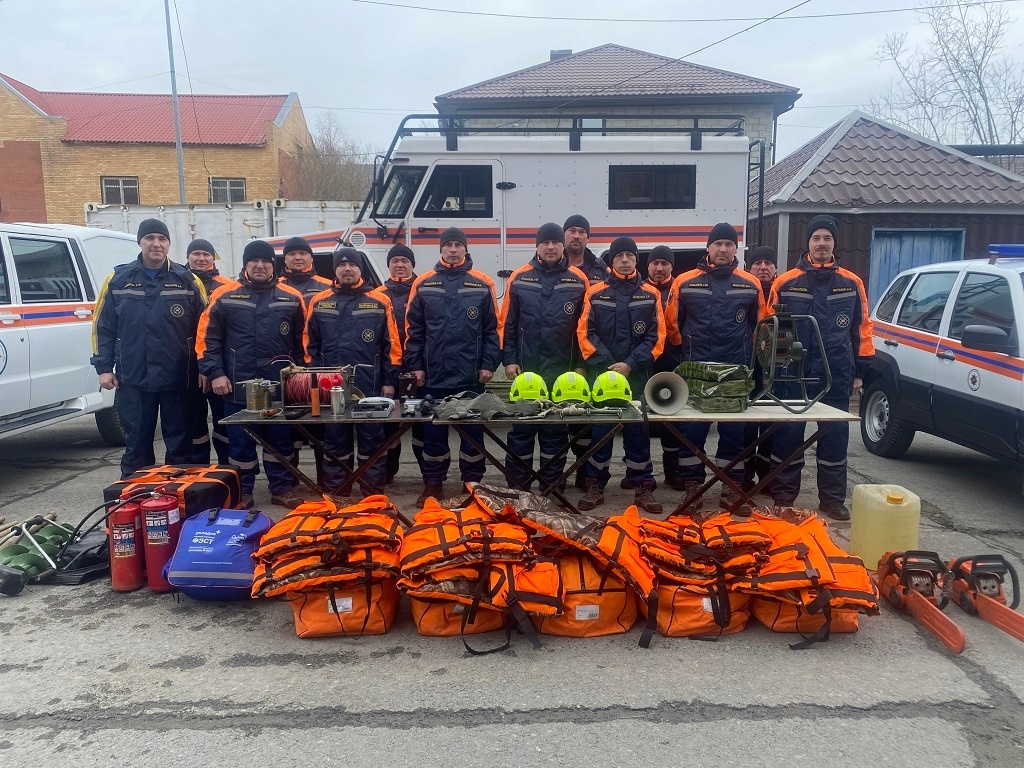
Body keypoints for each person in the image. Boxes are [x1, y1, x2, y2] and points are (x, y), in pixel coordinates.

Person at [767, 215, 874, 520]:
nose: (822, 243)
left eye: (827, 238)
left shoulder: (852, 283)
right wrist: (773, 370)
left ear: (834, 243)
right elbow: (768, 330)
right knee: (788, 436)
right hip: (792, 374)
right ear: (808, 243)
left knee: (834, 437)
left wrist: (859, 371)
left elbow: (862, 329)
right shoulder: (785, 282)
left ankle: (832, 499)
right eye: (816, 238)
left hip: (836, 373)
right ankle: (783, 497)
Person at [91, 219, 207, 479]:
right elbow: (103, 327)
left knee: (179, 444)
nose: (156, 244)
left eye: (162, 239)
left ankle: (177, 495)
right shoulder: (118, 280)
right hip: (134, 378)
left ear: (168, 243)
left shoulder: (187, 280)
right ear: (140, 242)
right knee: (136, 444)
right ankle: (135, 493)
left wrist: (206, 368)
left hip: (179, 377)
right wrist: (103, 368)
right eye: (150, 238)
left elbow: (207, 330)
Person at [196, 240, 306, 509]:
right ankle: (243, 491)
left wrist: (301, 377)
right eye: (254, 260)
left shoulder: (291, 297)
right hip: (237, 383)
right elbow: (207, 340)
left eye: (266, 261)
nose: (260, 265)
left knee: (280, 440)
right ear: (245, 264)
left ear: (273, 265)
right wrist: (216, 373)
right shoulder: (225, 295)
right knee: (240, 443)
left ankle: (281, 488)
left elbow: (303, 342)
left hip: (280, 385)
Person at [665, 223, 765, 513]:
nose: (723, 249)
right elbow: (672, 324)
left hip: (735, 372)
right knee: (692, 432)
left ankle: (730, 488)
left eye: (729, 244)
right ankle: (692, 488)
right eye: (718, 244)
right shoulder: (685, 282)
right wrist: (688, 350)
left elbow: (760, 326)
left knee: (734, 433)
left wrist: (747, 354)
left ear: (736, 249)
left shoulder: (750, 284)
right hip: (697, 372)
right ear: (708, 248)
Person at [405, 227, 500, 505]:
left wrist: (488, 364)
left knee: (473, 436)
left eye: (458, 245)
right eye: (449, 245)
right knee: (434, 435)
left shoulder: (481, 283)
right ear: (441, 249)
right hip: (433, 375)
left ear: (465, 249)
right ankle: (433, 484)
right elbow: (414, 330)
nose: (453, 249)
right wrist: (416, 366)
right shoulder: (423, 283)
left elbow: (493, 329)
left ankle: (471, 484)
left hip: (471, 376)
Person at [577, 236, 665, 512]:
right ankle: (594, 485)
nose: (625, 260)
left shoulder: (651, 294)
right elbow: (584, 333)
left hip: (636, 375)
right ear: (611, 261)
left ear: (636, 260)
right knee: (601, 431)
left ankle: (642, 487)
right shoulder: (595, 293)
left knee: (637, 432)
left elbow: (657, 337)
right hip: (602, 377)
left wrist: (630, 364)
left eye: (629, 255)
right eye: (619, 256)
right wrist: (608, 365)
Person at [306, 248, 401, 497]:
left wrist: (389, 381)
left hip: (370, 383)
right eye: (342, 265)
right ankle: (338, 491)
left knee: (372, 440)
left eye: (352, 265)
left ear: (360, 269)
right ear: (335, 270)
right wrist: (314, 381)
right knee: (336, 440)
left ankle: (372, 491)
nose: (347, 269)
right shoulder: (319, 302)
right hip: (330, 384)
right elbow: (309, 347)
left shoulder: (380, 301)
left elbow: (392, 345)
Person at [501, 223, 589, 492]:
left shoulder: (578, 279)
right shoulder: (519, 278)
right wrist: (510, 359)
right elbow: (508, 325)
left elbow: (585, 329)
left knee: (555, 430)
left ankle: (552, 484)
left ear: (563, 245)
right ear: (537, 246)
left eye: (555, 242)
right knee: (522, 431)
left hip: (564, 371)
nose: (550, 247)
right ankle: (519, 484)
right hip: (526, 369)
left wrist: (581, 365)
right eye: (545, 242)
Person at [277, 235, 332, 483]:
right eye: (292, 253)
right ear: (285, 258)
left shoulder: (327, 287)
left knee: (320, 427)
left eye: (303, 253)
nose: (298, 257)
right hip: (288, 367)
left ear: (311, 257)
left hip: (318, 366)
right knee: (290, 429)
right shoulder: (274, 286)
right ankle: (291, 480)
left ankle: (324, 480)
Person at [562, 213, 609, 488]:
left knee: (586, 415)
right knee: (560, 414)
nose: (576, 235)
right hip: (560, 352)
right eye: (572, 231)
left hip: (589, 356)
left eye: (581, 231)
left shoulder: (601, 271)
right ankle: (557, 470)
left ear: (588, 238)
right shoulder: (554, 266)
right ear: (564, 236)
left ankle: (583, 469)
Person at [185, 238, 231, 465]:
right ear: (188, 258)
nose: (201, 259)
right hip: (186, 366)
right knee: (193, 425)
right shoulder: (178, 281)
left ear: (213, 259)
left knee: (223, 423)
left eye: (206, 254)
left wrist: (211, 368)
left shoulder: (227, 287)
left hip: (217, 367)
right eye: (196, 254)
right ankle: (198, 475)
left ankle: (227, 471)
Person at [378, 243, 420, 483]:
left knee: (422, 425)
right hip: (389, 368)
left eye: (405, 260)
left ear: (412, 264)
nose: (400, 265)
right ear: (389, 265)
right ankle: (387, 473)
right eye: (395, 261)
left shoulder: (424, 288)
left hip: (419, 369)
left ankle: (429, 476)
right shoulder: (377, 294)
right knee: (389, 425)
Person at [644, 245, 683, 490]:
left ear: (671, 266)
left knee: (672, 420)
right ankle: (641, 474)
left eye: (664, 263)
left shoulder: (680, 289)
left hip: (672, 361)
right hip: (644, 363)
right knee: (642, 421)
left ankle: (673, 471)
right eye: (655, 263)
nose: (659, 268)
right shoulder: (638, 290)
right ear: (647, 266)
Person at [742, 245, 778, 492]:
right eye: (757, 263)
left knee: (771, 423)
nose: (763, 267)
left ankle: (766, 477)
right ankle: (743, 477)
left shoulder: (784, 289)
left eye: (768, 263)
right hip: (746, 363)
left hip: (775, 365)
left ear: (775, 268)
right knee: (745, 423)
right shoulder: (743, 288)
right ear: (749, 267)